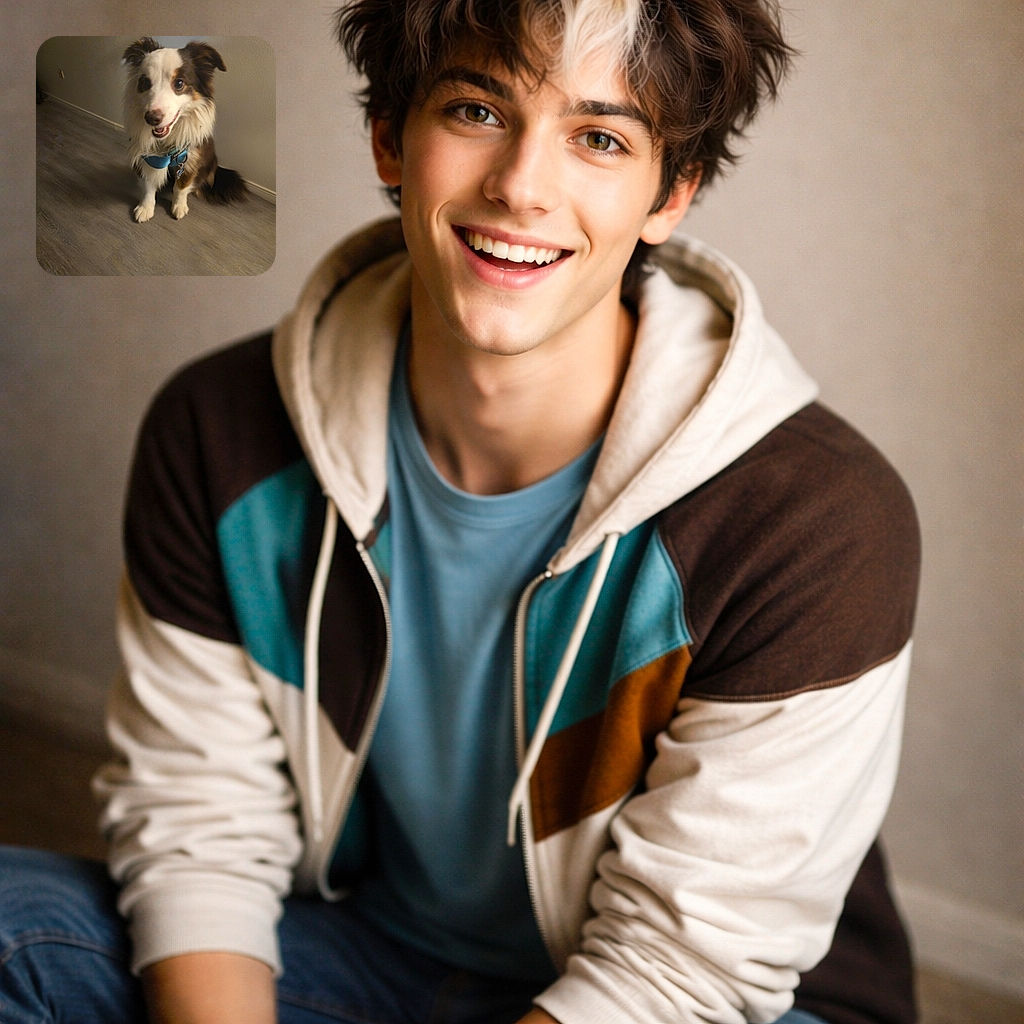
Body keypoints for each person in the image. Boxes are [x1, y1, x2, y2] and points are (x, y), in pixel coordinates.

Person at [0, 1, 921, 1022]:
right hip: (370, 948)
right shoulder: (218, 431)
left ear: (673, 192)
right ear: (390, 137)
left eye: (600, 138)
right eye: (478, 110)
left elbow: (682, 968)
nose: (522, 187)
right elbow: (197, 824)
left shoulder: (813, 519)